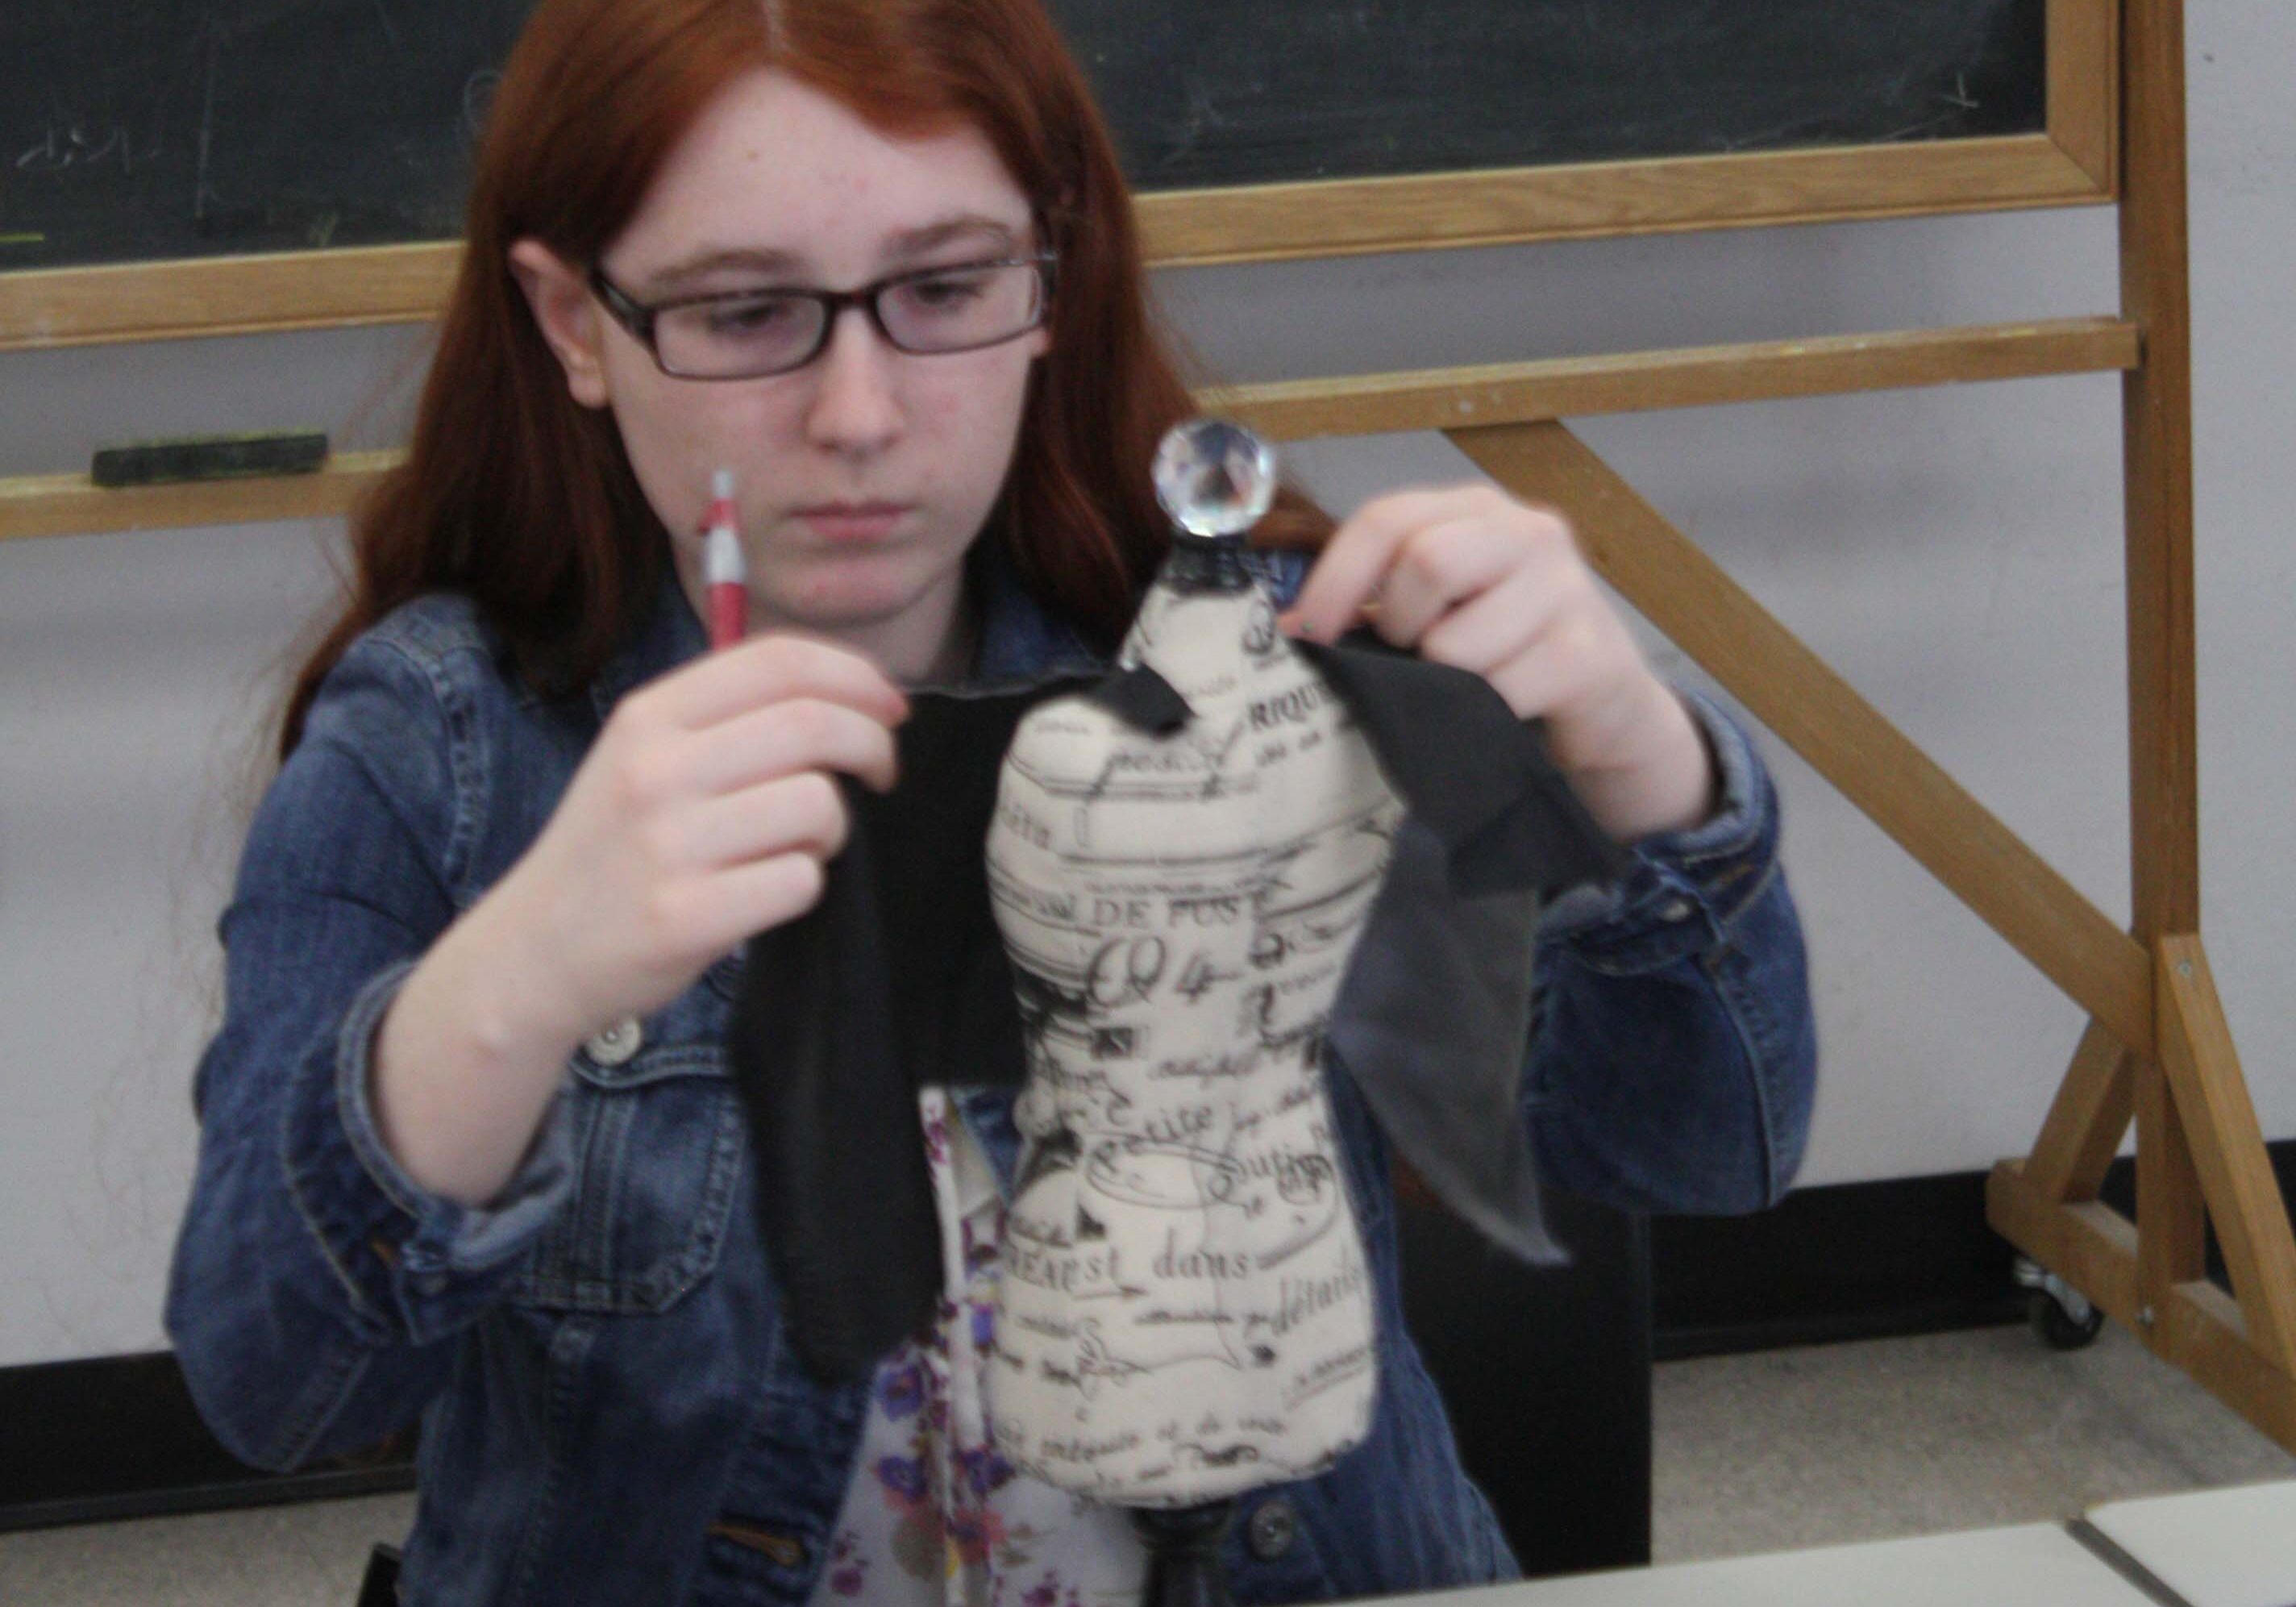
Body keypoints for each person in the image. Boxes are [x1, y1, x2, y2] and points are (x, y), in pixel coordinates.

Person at [166, 0, 1817, 1602]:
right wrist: (516, 985)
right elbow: (269, 1386)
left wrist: (1632, 762)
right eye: (744, 315)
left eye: (942, 287)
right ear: (574, 325)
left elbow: (1705, 1144)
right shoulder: (441, 749)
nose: (860, 415)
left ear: (1048, 279)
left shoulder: (1253, 672)